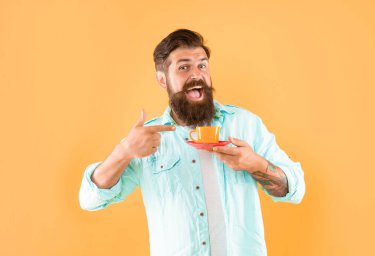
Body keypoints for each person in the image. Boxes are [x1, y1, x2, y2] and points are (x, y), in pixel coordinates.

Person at [79, 29, 305, 256]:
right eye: (184, 67)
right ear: (162, 79)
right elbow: (90, 199)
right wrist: (124, 151)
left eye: (202, 65)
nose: (196, 75)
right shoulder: (146, 139)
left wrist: (257, 164)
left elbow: (295, 190)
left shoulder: (245, 125)